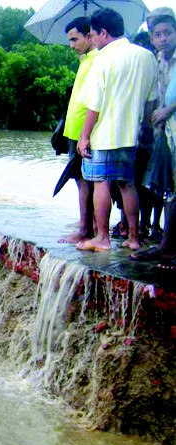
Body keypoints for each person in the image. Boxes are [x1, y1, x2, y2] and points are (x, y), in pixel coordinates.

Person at [76, 8, 158, 252]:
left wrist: (84, 136)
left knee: (101, 183)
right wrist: (145, 128)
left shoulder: (102, 59)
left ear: (103, 32)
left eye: (92, 34)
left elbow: (94, 105)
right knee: (127, 184)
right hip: (132, 134)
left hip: (104, 135)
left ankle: (102, 238)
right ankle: (133, 237)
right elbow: (151, 101)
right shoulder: (146, 57)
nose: (91, 39)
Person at [132, 7, 176, 268]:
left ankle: (168, 249)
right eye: (157, 35)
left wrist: (168, 109)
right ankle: (166, 246)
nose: (163, 39)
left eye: (168, 33)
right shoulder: (157, 60)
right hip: (165, 134)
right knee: (168, 190)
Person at [59, 16, 99, 244]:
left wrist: (85, 134)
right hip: (76, 131)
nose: (72, 45)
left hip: (84, 132)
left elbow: (94, 101)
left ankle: (85, 230)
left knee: (84, 180)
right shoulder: (86, 60)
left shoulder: (96, 61)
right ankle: (87, 225)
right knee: (81, 179)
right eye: (70, 41)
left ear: (89, 36)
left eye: (75, 39)